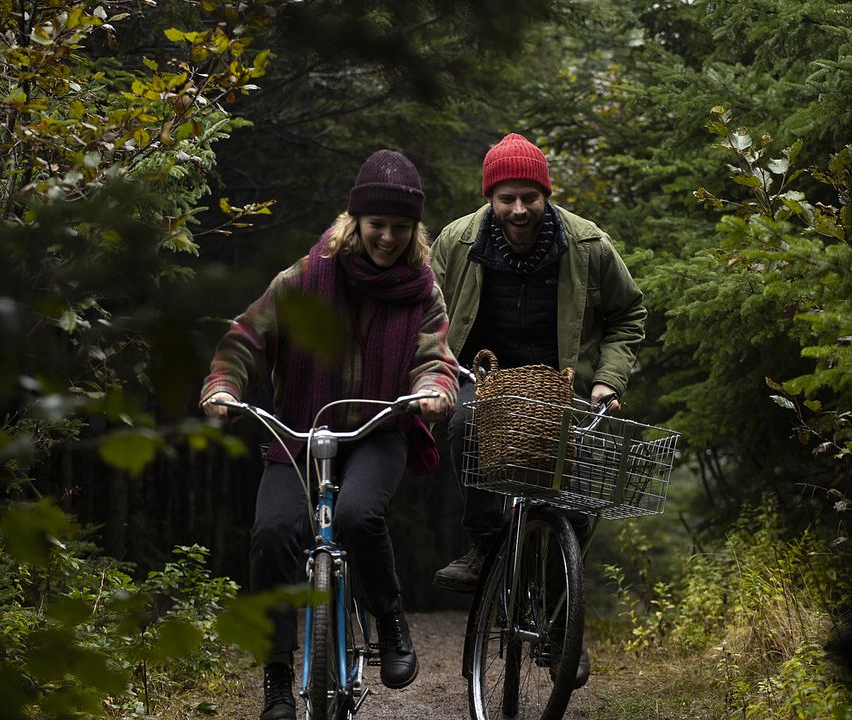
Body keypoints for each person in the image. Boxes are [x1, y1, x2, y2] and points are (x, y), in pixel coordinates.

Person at [200, 150, 458, 720]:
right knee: (273, 532)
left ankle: (388, 620)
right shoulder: (305, 278)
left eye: (400, 227)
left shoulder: (422, 291)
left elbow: (434, 356)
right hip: (301, 432)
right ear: (355, 221)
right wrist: (223, 386)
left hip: (378, 429)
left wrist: (434, 389)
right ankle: (276, 676)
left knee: (359, 517)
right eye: (377, 224)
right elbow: (247, 339)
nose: (387, 237)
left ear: (414, 231)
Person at [429, 132, 646, 684]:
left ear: (546, 194)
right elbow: (426, 316)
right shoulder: (456, 241)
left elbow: (628, 314)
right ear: (490, 198)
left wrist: (608, 381)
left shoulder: (588, 244)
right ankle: (484, 546)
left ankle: (558, 621)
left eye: (530, 197)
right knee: (466, 421)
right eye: (507, 198)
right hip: (484, 379)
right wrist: (436, 373)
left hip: (562, 385)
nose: (519, 209)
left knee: (573, 507)